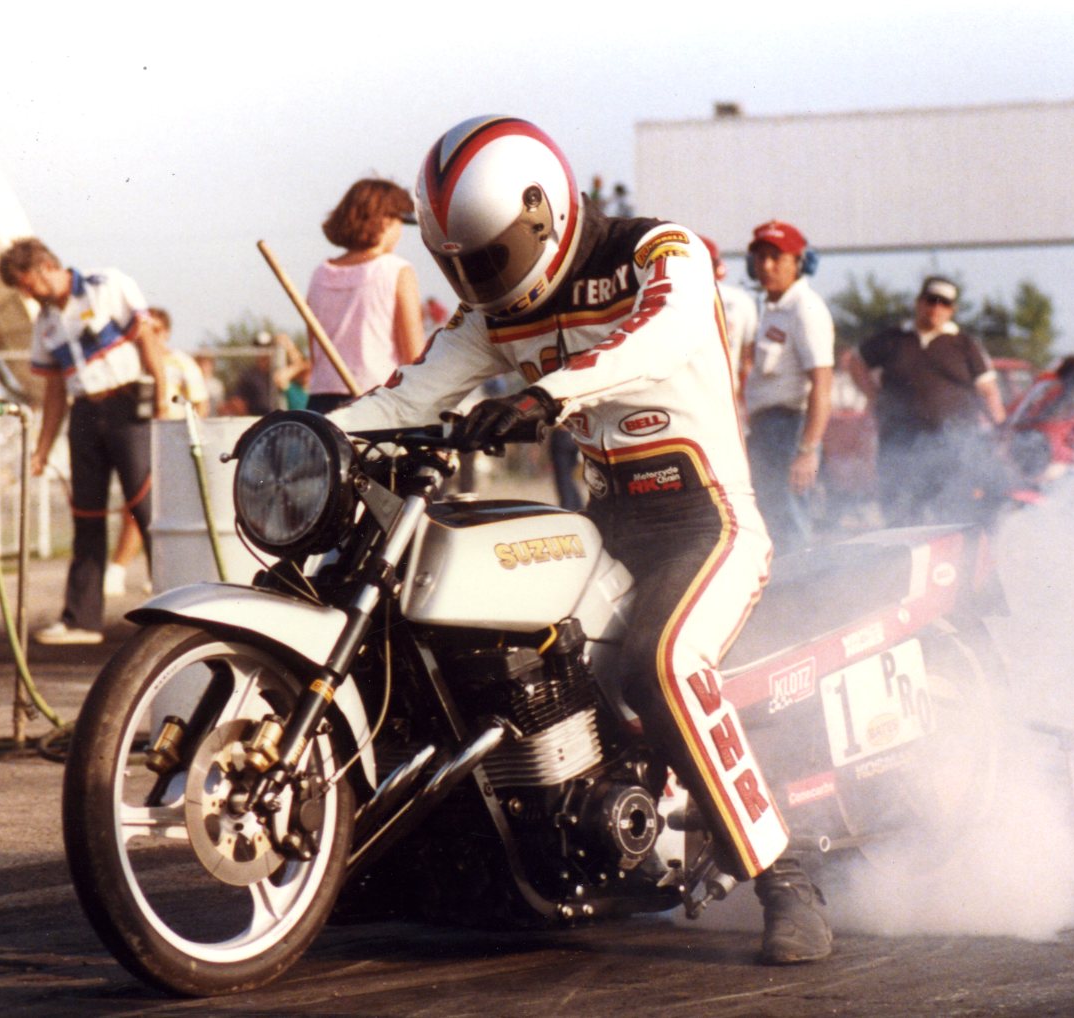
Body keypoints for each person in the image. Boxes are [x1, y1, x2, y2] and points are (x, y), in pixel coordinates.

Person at [331, 115, 829, 965]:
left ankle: (782, 875)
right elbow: (412, 394)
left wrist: (544, 395)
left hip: (707, 521)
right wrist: (310, 436)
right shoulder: (496, 309)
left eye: (484, 258)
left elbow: (660, 336)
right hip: (603, 528)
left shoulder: (657, 252)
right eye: (455, 264)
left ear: (541, 216)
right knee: (480, 649)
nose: (475, 279)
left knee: (661, 665)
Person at [0, 238, 159, 645]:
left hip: (128, 405)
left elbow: (148, 341)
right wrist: (42, 447)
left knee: (146, 506)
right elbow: (53, 390)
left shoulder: (108, 285)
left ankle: (177, 606)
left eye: (25, 284)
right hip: (85, 412)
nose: (26, 294)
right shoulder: (45, 324)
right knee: (86, 515)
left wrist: (164, 400)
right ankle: (82, 620)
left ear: (43, 267)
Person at [851, 276, 1006, 526]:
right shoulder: (894, 338)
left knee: (951, 514)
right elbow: (856, 361)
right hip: (899, 441)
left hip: (952, 446)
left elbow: (988, 391)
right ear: (919, 302)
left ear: (952, 310)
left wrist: (1001, 430)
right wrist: (873, 395)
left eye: (944, 303)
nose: (935, 308)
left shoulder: (965, 345)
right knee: (899, 514)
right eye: (930, 300)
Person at [740, 220, 834, 556]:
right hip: (766, 429)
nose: (767, 266)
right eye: (761, 257)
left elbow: (822, 385)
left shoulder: (805, 309)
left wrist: (807, 450)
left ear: (798, 262)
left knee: (792, 525)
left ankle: (804, 605)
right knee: (768, 523)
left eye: (776, 258)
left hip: (791, 428)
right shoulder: (772, 309)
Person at [105, 307, 209, 596]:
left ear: (166, 333)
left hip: (172, 442)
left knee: (163, 509)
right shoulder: (131, 365)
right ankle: (119, 569)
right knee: (137, 505)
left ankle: (161, 572)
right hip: (139, 440)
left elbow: (199, 402)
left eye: (157, 331)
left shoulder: (181, 362)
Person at [305, 178, 427, 414]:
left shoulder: (320, 273)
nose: (400, 232)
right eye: (400, 222)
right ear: (385, 221)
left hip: (321, 403)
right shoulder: (396, 270)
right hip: (376, 401)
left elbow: (315, 351)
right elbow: (414, 358)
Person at [699, 235, 757, 396]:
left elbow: (747, 360)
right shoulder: (742, 299)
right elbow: (747, 361)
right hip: (726, 393)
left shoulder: (669, 299)